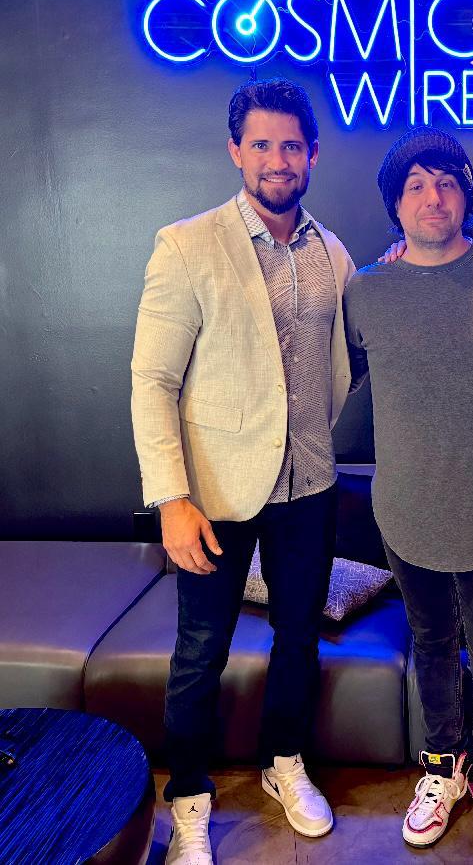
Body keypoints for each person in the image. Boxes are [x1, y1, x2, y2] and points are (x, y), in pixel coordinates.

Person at [131, 78, 355, 865]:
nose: (276, 159)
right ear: (235, 151)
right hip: (214, 494)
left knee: (299, 638)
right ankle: (189, 798)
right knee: (201, 651)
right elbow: (152, 381)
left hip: (309, 485)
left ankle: (283, 763)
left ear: (313, 154)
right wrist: (171, 499)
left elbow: (350, 356)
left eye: (291, 145)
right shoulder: (186, 245)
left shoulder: (333, 253)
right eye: (260, 144)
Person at [344, 127, 473, 865]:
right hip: (405, 511)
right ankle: (442, 772)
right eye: (416, 186)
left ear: (466, 195)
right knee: (430, 648)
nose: (434, 198)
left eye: (447, 182)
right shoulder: (365, 292)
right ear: (395, 206)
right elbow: (325, 381)